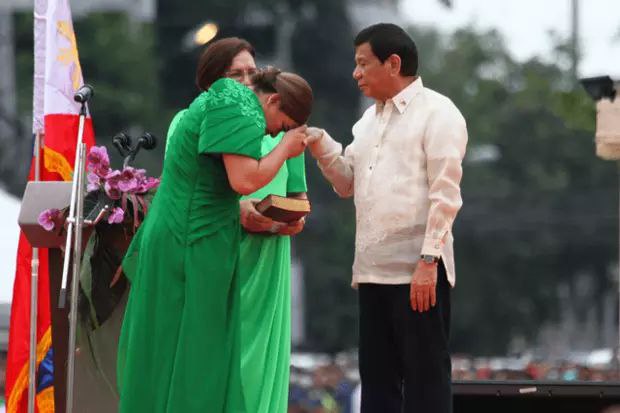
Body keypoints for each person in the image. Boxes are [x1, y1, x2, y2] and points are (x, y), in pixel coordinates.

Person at [116, 66, 313, 412]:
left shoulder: (231, 100)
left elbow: (218, 180)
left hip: (198, 234)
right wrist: (285, 148)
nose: (273, 133)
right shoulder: (238, 105)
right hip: (189, 239)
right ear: (274, 100)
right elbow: (244, 180)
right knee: (194, 353)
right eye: (280, 124)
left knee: (197, 351)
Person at [305, 23, 467, 413]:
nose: (355, 73)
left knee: (426, 378)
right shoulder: (367, 122)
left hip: (418, 271)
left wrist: (429, 259)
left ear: (393, 64)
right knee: (377, 380)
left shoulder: (438, 113)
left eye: (363, 64)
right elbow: (348, 184)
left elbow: (445, 195)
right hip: (372, 270)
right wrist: (321, 144)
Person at [164, 37, 308, 412]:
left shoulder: (283, 125)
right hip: (218, 246)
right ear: (212, 82)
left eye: (251, 72)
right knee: (212, 355)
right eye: (235, 74)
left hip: (268, 256)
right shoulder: (188, 121)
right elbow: (188, 190)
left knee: (261, 364)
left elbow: (300, 199)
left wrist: (284, 222)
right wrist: (240, 208)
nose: (246, 81)